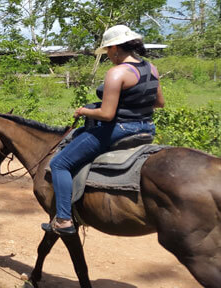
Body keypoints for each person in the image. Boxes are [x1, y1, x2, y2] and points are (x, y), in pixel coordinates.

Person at [44, 25, 165, 235]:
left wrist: (83, 111)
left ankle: (63, 219)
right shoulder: (151, 68)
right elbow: (159, 103)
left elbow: (107, 115)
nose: (108, 55)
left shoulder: (117, 73)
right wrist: (133, 106)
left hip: (119, 130)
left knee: (59, 163)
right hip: (147, 128)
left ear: (116, 47)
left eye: (108, 51)